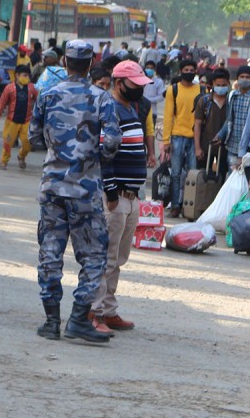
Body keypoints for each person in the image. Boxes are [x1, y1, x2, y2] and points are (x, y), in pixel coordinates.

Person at [30, 40, 121, 343]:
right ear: (92, 61)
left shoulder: (47, 95)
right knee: (94, 254)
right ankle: (79, 318)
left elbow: (34, 137)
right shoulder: (101, 98)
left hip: (52, 185)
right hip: (85, 189)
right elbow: (111, 143)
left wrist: (58, 154)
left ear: (65, 62)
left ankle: (51, 320)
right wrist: (94, 157)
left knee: (50, 252)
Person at [90, 60, 152, 336]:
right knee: (106, 258)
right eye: (135, 85)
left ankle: (109, 310)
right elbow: (105, 154)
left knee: (119, 258)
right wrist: (112, 193)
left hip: (131, 197)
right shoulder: (111, 110)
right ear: (119, 84)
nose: (140, 89)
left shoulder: (131, 109)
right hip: (115, 198)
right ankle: (94, 312)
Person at [162, 59, 201, 218]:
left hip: (195, 138)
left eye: (192, 69)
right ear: (181, 72)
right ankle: (175, 206)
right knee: (176, 174)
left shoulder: (201, 90)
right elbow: (168, 115)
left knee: (192, 175)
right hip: (177, 137)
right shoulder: (173, 90)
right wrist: (166, 140)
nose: (189, 72)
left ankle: (189, 207)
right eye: (186, 69)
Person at [0, 65, 38, 170]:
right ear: (17, 75)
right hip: (12, 121)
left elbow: (38, 101)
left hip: (26, 120)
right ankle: (4, 161)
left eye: (28, 75)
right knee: (8, 142)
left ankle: (21, 156)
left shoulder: (32, 88)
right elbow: (2, 102)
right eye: (24, 75)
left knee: (28, 143)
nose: (27, 77)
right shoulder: (9, 88)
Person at [216, 65, 250, 175]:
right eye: (242, 76)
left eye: (247, 77)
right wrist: (220, 134)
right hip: (233, 145)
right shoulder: (232, 96)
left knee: (247, 179)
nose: (244, 79)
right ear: (237, 79)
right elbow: (229, 120)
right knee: (233, 178)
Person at [194, 69, 231, 178]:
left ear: (228, 83)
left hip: (225, 149)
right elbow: (197, 125)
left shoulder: (231, 101)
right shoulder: (204, 101)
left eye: (223, 85)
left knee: (222, 179)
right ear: (213, 84)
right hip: (205, 148)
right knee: (203, 179)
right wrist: (197, 148)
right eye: (218, 85)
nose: (221, 87)